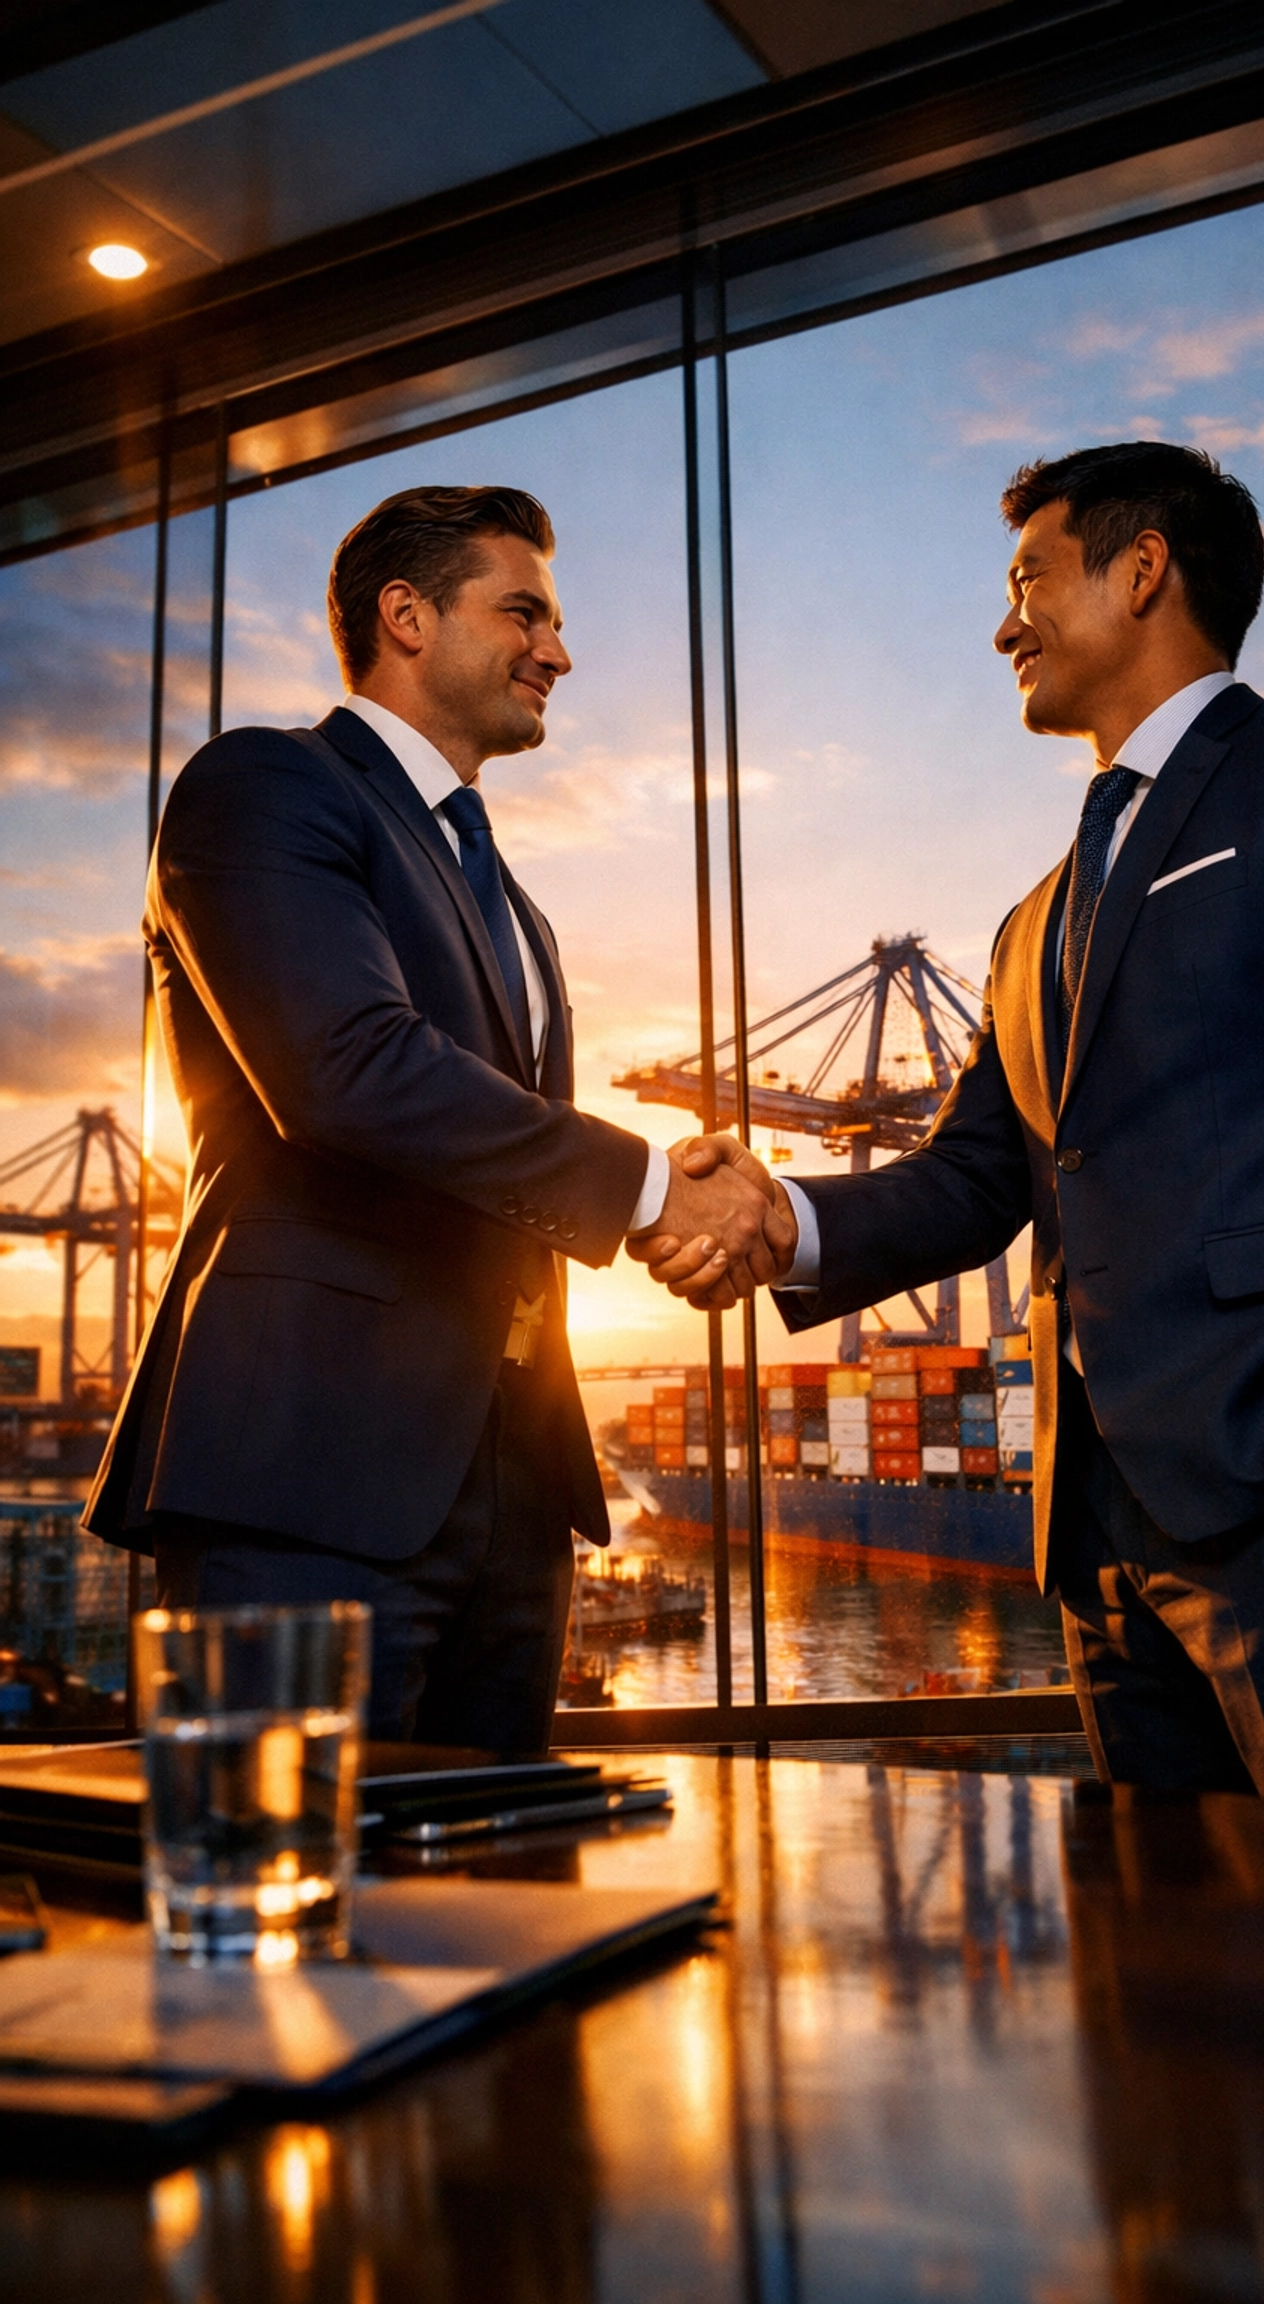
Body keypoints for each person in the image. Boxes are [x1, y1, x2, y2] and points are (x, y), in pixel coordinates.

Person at [636, 442, 1264, 1821]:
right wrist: (781, 1215)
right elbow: (973, 1179)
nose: (1005, 622)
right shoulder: (1033, 920)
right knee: (1166, 1994)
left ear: (1144, 569)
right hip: (1099, 1537)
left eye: (1028, 578)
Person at [85, 484, 788, 1751]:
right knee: (289, 1912)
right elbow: (347, 1067)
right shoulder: (263, 785)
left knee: (502, 1900)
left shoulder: (514, 903)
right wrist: (652, 1198)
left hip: (518, 1499)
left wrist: (674, 1211)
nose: (558, 652)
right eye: (525, 612)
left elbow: (495, 1155)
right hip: (309, 1478)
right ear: (405, 616)